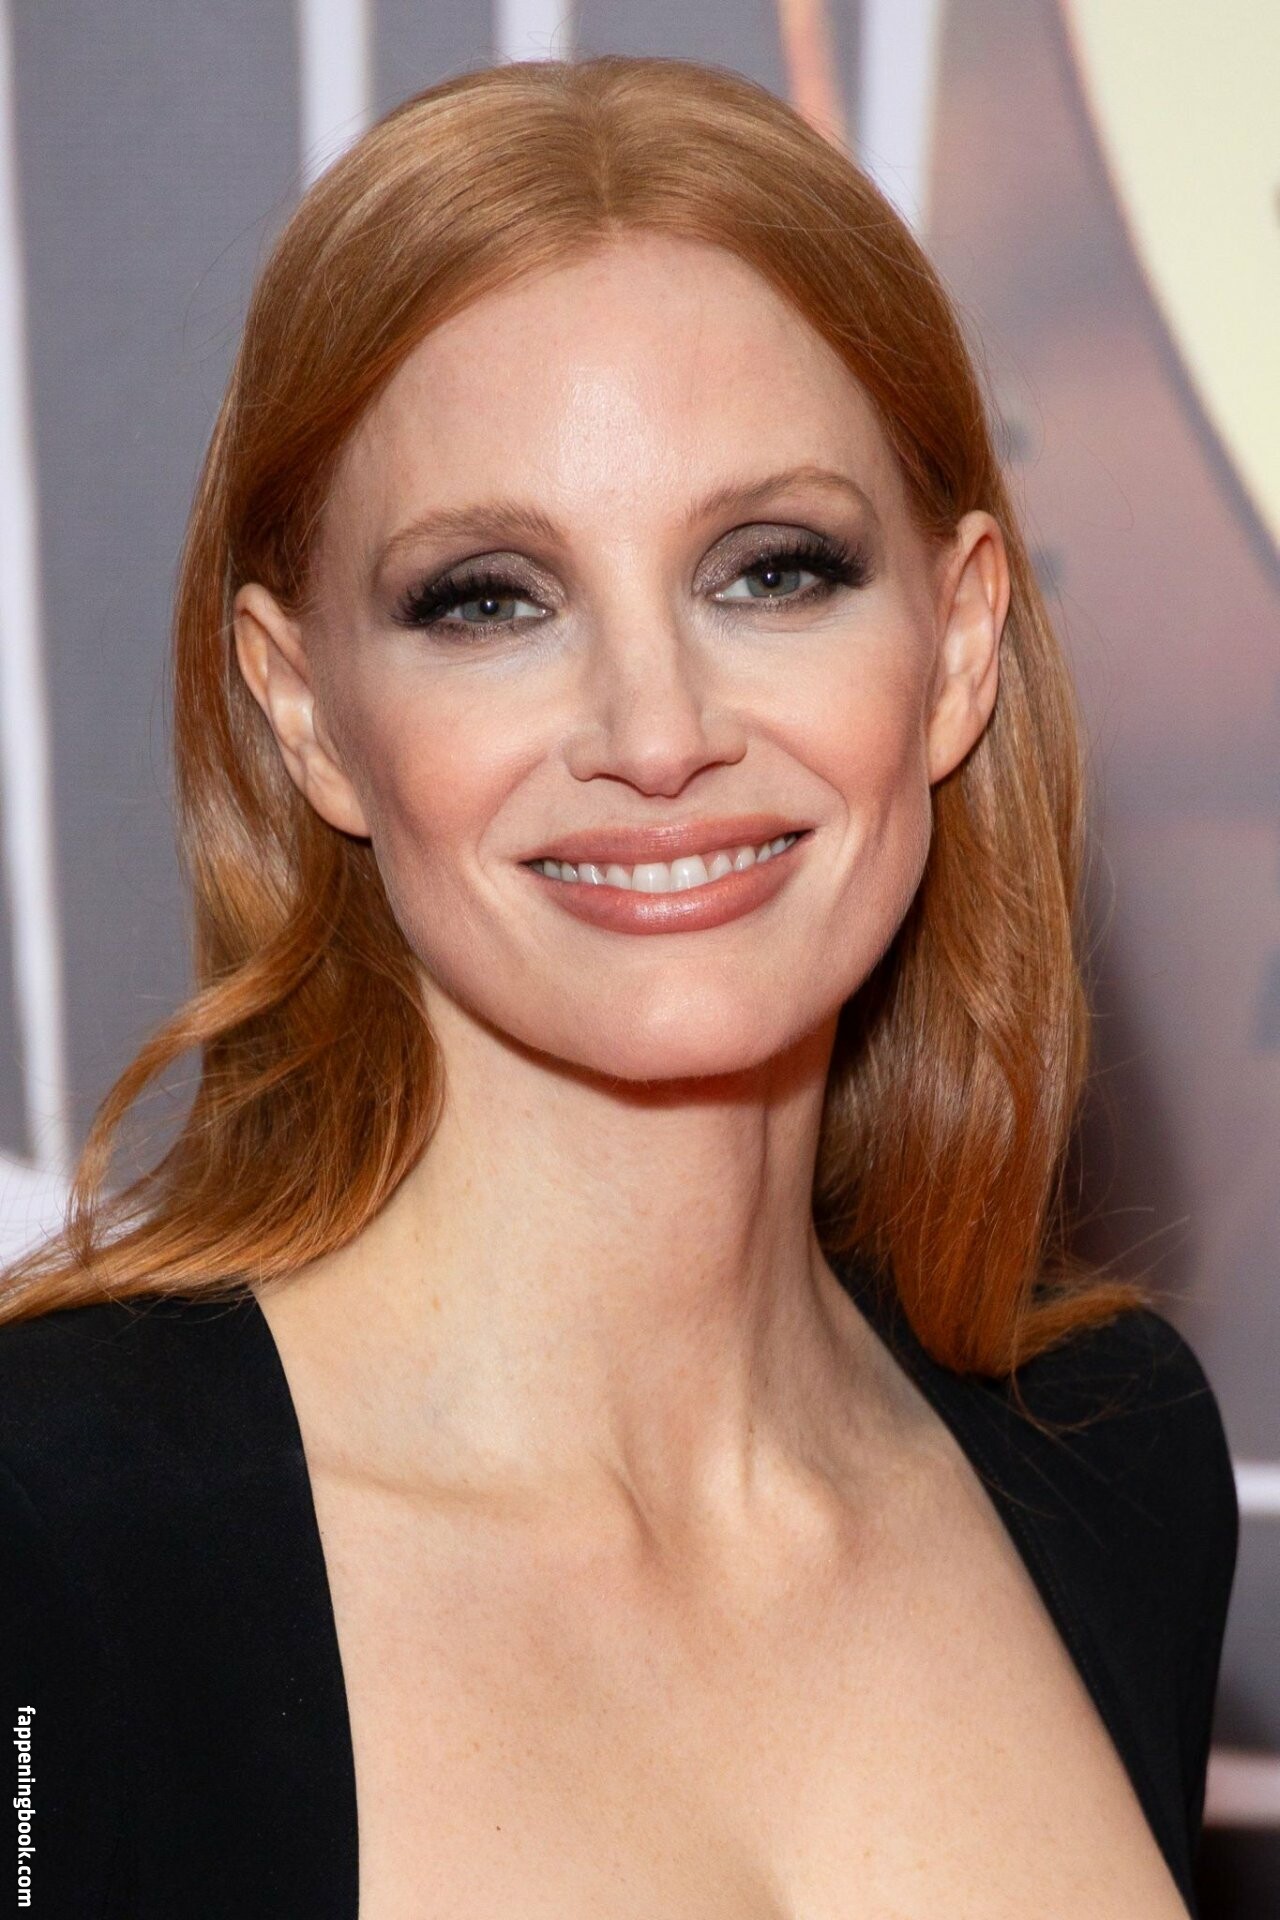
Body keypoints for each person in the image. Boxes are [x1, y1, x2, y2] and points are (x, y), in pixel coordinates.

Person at [0, 52, 1237, 1920]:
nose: (656, 735)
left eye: (773, 572)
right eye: (490, 598)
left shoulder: (1115, 1460)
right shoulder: (54, 1537)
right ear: (306, 710)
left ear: (959, 643)